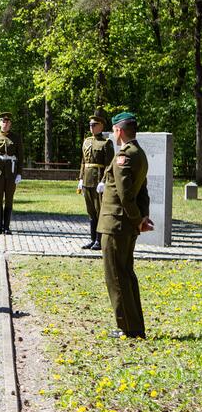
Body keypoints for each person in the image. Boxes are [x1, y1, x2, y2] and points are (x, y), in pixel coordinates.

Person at [96, 111, 153, 340]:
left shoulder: (124, 156)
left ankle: (127, 328)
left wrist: (137, 219)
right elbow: (143, 192)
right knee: (127, 274)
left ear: (119, 130)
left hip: (116, 224)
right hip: (127, 225)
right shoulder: (139, 153)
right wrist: (142, 218)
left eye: (114, 130)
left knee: (116, 276)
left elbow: (126, 195)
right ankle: (135, 326)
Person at [78, 115, 114, 250]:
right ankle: (92, 239)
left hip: (98, 180)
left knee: (99, 211)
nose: (91, 127)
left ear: (101, 126)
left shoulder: (106, 143)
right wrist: (81, 178)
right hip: (87, 180)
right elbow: (83, 162)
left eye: (94, 125)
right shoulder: (86, 141)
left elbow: (109, 165)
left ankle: (100, 240)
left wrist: (104, 181)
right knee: (91, 212)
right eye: (90, 125)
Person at [0, 112, 23, 235]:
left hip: (11, 173)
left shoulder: (16, 138)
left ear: (10, 124)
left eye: (7, 122)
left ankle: (6, 227)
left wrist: (19, 173)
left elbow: (20, 157)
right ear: (0, 123)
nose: (5, 124)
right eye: (3, 122)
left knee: (9, 200)